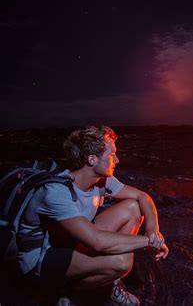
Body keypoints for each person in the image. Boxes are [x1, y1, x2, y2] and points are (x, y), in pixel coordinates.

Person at [17, 125, 168, 305]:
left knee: (132, 207)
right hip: (43, 256)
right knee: (122, 261)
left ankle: (108, 281)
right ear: (92, 159)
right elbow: (97, 241)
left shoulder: (101, 181)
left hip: (71, 238)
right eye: (112, 155)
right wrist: (149, 242)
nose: (117, 160)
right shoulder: (56, 192)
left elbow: (142, 196)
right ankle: (66, 292)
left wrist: (153, 231)